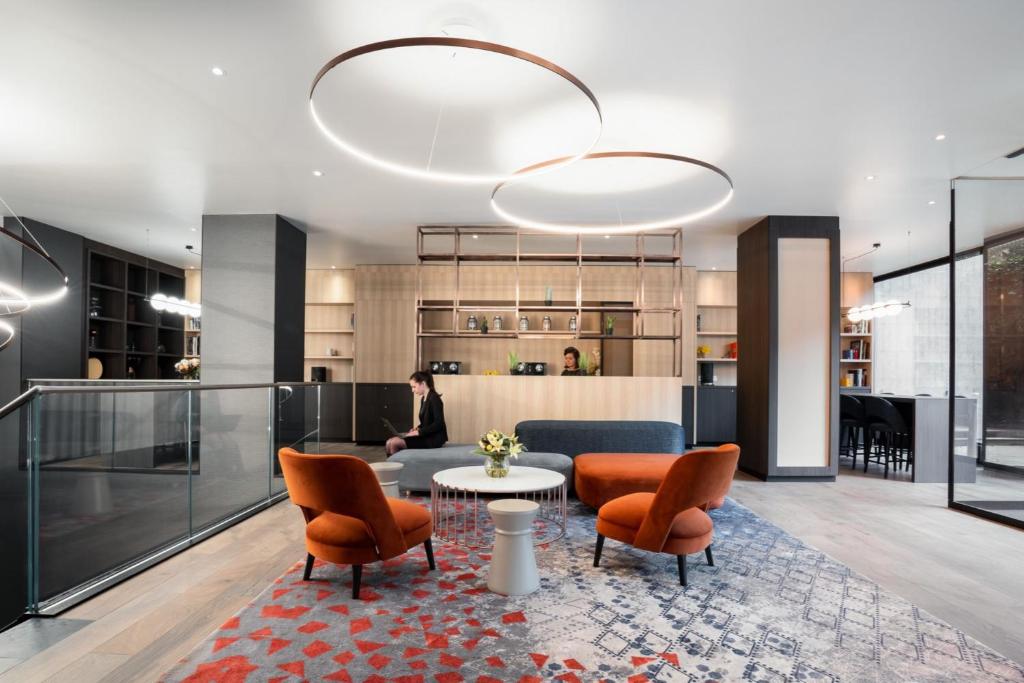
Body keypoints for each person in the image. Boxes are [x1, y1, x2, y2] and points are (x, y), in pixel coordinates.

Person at [386, 370, 448, 456]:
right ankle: (391, 467)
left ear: (423, 384)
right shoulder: (424, 399)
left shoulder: (434, 399)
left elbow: (439, 423)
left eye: (414, 387)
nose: (412, 390)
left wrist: (418, 432)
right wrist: (417, 428)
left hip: (433, 439)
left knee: (393, 443)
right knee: (389, 442)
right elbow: (426, 423)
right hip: (427, 435)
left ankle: (396, 468)